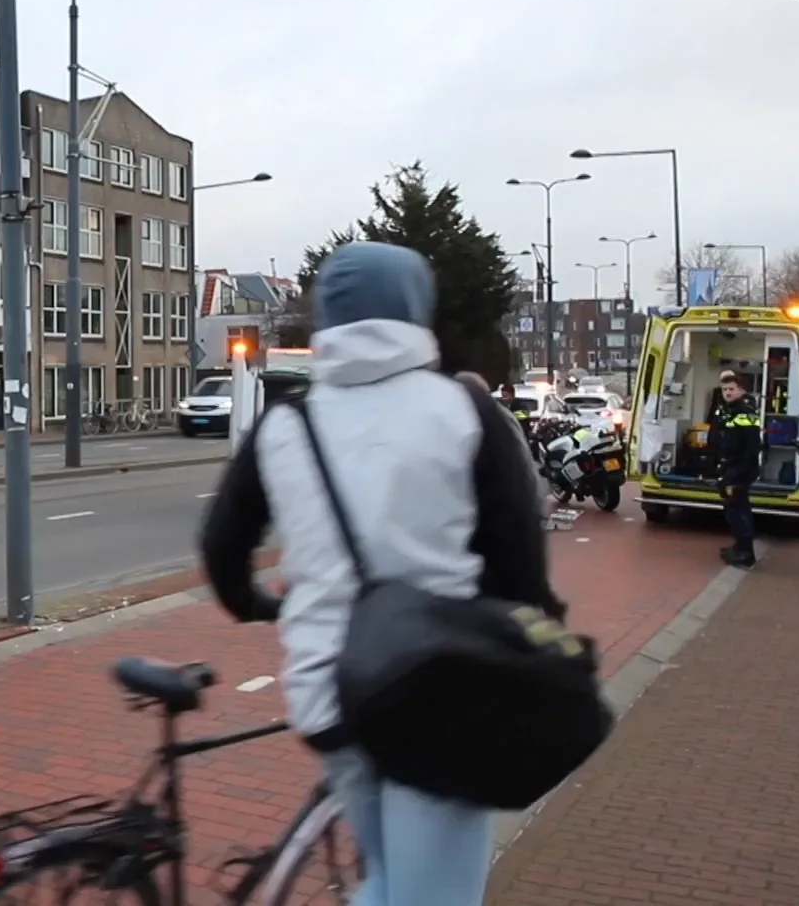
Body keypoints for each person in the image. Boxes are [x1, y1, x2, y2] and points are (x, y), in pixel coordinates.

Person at [198, 241, 563, 906]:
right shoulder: (463, 412)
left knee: (393, 880)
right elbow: (520, 564)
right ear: (416, 309)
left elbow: (223, 549)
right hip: (442, 693)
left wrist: (263, 606)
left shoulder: (286, 423)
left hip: (330, 695)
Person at [712, 371, 762, 569]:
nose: (727, 393)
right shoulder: (725, 409)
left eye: (731, 389)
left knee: (739, 511)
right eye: (724, 390)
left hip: (741, 467)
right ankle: (739, 546)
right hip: (729, 464)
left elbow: (752, 447)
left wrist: (737, 471)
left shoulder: (745, 412)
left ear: (741, 390)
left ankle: (746, 553)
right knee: (732, 508)